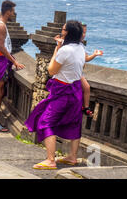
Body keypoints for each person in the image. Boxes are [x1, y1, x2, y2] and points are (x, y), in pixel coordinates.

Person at [25, 20, 86, 169]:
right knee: (74, 122)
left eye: (63, 29)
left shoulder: (65, 50)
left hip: (62, 91)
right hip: (76, 90)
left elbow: (51, 70)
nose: (61, 31)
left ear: (68, 33)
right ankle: (72, 157)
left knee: (45, 121)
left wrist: (57, 48)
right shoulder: (81, 48)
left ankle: (50, 160)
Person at [0, 1, 25, 132]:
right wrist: (14, 62)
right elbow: (1, 47)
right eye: (13, 11)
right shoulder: (0, 26)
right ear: (8, 11)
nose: (14, 14)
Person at [81, 23, 103, 117]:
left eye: (85, 32)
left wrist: (94, 55)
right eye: (82, 32)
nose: (84, 35)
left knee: (87, 87)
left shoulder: (81, 46)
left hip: (79, 73)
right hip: (73, 74)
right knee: (85, 87)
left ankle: (86, 107)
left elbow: (86, 59)